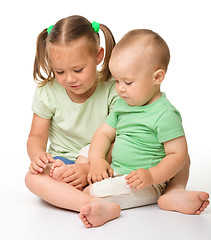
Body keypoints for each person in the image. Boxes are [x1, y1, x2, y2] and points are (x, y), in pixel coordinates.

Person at [25, 18, 209, 228]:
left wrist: (92, 165)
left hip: (107, 162)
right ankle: (89, 203)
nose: (70, 79)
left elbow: (121, 137)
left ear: (98, 56)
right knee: (32, 179)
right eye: (60, 71)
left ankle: (174, 191)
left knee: (178, 152)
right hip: (65, 163)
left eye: (78, 70)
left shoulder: (117, 90)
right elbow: (36, 136)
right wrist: (39, 158)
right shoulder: (48, 92)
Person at [77, 29, 209, 227]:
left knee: (87, 192)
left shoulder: (164, 114)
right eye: (117, 81)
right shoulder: (123, 104)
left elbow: (179, 156)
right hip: (117, 168)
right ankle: (172, 195)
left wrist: (151, 176)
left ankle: (109, 208)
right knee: (88, 149)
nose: (120, 88)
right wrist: (96, 160)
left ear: (157, 78)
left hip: (143, 181)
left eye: (128, 82)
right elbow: (103, 133)